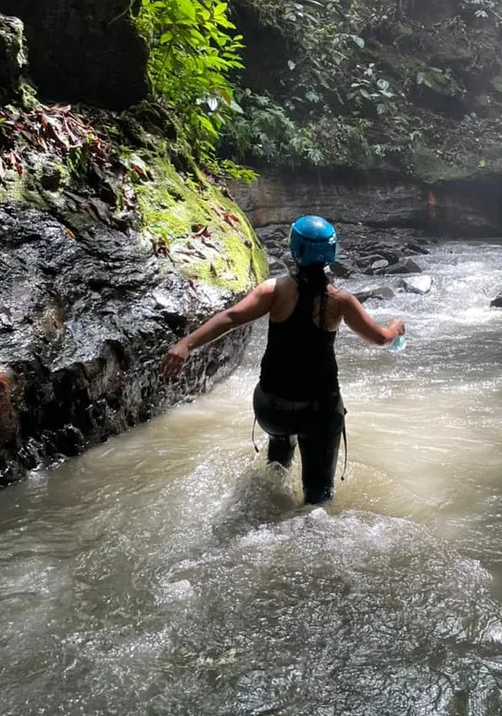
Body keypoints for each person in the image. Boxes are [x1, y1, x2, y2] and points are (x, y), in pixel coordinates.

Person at [160, 215, 405, 504]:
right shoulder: (340, 300)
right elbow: (380, 339)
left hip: (271, 408)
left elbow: (230, 318)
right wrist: (396, 328)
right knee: (318, 494)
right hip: (317, 411)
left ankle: (273, 489)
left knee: (279, 453)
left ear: (294, 249)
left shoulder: (273, 291)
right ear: (331, 252)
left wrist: (186, 344)